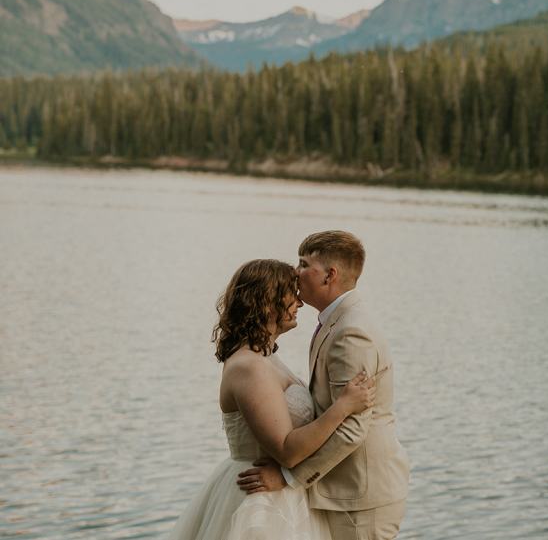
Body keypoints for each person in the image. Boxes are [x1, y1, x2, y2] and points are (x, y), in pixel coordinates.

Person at [168, 259, 376, 540]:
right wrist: (343, 407)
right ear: (267, 302)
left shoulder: (265, 357)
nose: (299, 303)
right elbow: (287, 450)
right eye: (291, 294)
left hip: (284, 494)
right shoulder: (249, 367)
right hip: (260, 501)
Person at [237, 231, 411, 540]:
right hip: (340, 490)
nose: (296, 272)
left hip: (359, 496)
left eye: (304, 264)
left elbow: (353, 427)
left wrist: (288, 477)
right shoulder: (336, 321)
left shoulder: (351, 332)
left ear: (330, 275)